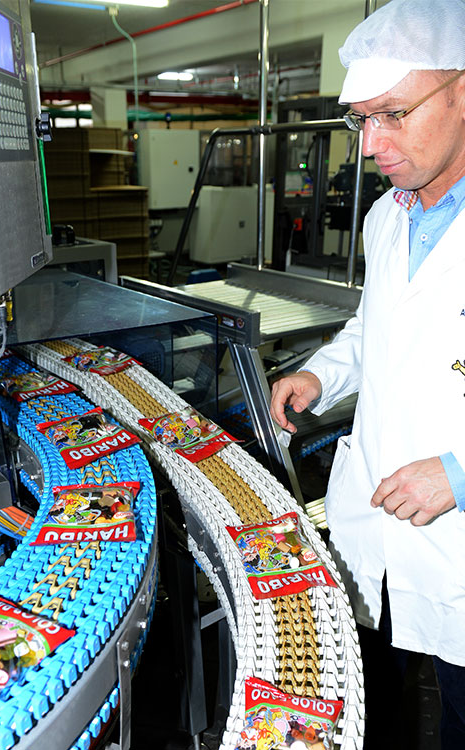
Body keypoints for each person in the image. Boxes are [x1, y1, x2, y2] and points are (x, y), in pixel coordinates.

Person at [269, 1, 465, 747]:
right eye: (361, 121)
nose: (372, 144)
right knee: (360, 703)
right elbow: (374, 328)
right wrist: (320, 376)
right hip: (375, 517)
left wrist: (458, 473)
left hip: (457, 537)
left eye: (393, 114)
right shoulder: (390, 215)